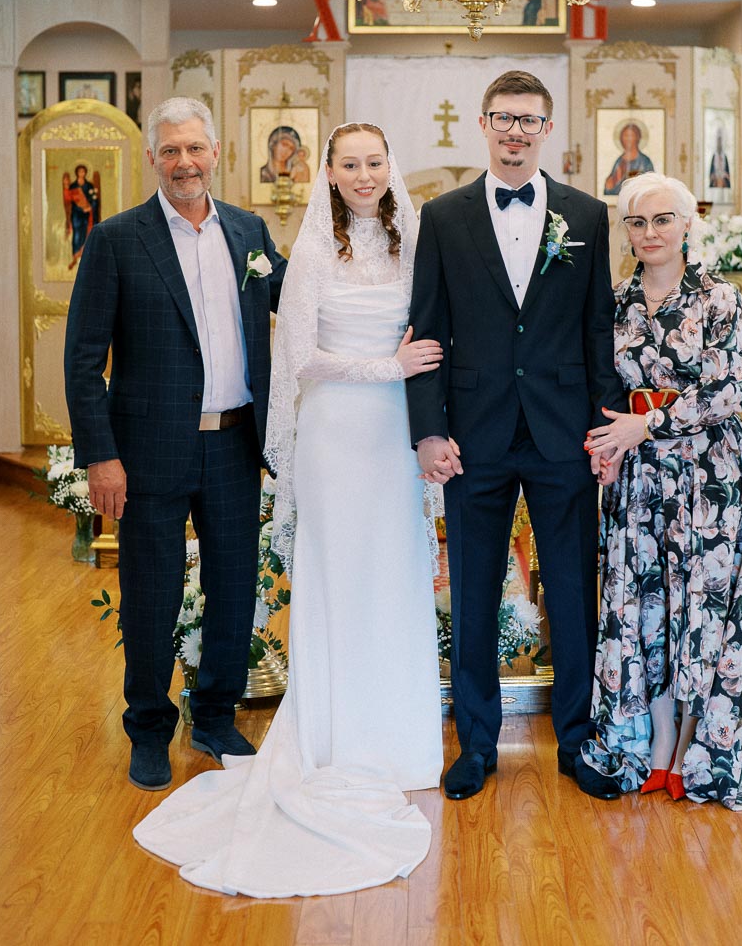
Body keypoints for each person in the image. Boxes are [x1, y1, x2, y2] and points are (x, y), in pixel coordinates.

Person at [134, 123, 445, 896]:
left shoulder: (415, 246)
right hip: (339, 433)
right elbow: (299, 356)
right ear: (329, 174)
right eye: (351, 164)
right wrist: (389, 364)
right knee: (340, 579)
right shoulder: (307, 254)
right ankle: (335, 737)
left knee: (395, 578)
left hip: (396, 437)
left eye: (376, 161)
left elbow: (438, 334)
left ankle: (401, 741)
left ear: (388, 167)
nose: (365, 174)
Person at [406, 69, 628, 802]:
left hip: (565, 432)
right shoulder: (443, 217)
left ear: (547, 129)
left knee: (571, 591)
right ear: (483, 123)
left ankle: (577, 740)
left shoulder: (587, 216)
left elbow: (599, 329)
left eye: (529, 120)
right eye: (503, 118)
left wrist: (605, 432)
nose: (515, 131)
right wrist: (429, 432)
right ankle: (475, 746)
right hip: (475, 432)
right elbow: (428, 330)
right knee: (472, 592)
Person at [64, 96, 286, 792]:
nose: (185, 162)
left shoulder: (249, 232)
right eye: (171, 151)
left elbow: (301, 308)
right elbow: (81, 359)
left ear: (216, 153)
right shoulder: (118, 240)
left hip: (232, 446)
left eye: (195, 148)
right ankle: (149, 729)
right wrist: (101, 456)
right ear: (154, 159)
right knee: (151, 597)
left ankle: (216, 717)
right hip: (147, 453)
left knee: (231, 589)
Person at [582, 172, 742, 808]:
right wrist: (606, 441)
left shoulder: (722, 300)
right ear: (624, 231)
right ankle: (656, 740)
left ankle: (694, 743)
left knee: (701, 608)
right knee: (645, 606)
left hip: (709, 475)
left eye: (661, 220)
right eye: (636, 222)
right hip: (638, 477)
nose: (649, 233)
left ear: (687, 225)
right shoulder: (613, 302)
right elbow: (596, 383)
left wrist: (648, 422)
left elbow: (733, 389)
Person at [63, 163, 100, 269]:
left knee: (87, 233)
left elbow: (94, 200)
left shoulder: (89, 186)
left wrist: (90, 207)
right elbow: (71, 202)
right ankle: (75, 257)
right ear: (77, 173)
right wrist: (81, 209)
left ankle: (86, 258)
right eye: (79, 172)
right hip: (76, 214)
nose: (81, 173)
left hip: (87, 215)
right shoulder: (73, 186)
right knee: (77, 235)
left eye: (83, 171)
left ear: (85, 173)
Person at [603, 120, 654, 196]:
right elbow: (609, 189)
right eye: (625, 136)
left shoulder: (645, 161)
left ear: (637, 138)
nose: (628, 139)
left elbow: (652, 185)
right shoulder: (619, 161)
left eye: (631, 135)